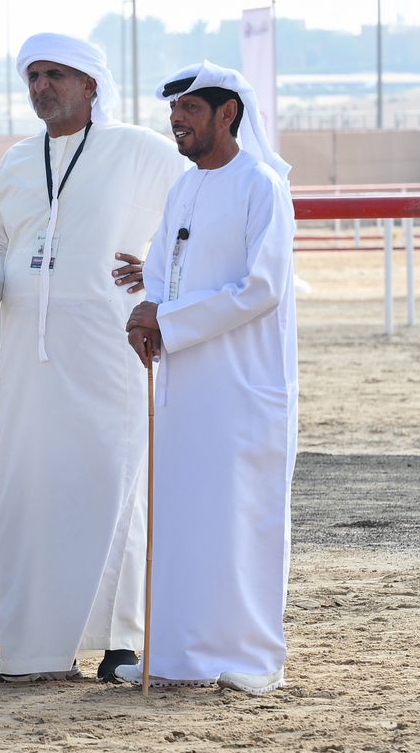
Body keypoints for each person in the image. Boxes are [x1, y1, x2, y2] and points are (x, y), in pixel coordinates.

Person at [0, 34, 186, 684]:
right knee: (32, 496)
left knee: (116, 490)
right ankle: (35, 651)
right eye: (33, 75)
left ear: (91, 85)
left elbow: (196, 217)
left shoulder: (140, 152)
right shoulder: (20, 162)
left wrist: (163, 276)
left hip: (110, 355)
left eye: (56, 74)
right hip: (28, 359)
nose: (42, 86)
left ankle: (121, 642)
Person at [118, 61, 297, 694]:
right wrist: (148, 320)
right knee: (182, 516)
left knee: (239, 518)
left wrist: (167, 315)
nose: (177, 120)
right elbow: (164, 273)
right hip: (184, 385)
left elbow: (262, 288)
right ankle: (178, 654)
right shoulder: (184, 189)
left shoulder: (260, 186)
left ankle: (247, 657)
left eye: (191, 109)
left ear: (229, 114)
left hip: (243, 388)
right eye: (174, 110)